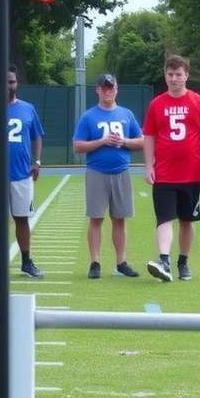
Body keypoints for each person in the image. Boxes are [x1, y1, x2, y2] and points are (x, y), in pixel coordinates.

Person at [142, 54, 200, 282]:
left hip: (191, 172)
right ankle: (164, 260)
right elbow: (149, 136)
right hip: (164, 173)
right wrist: (148, 166)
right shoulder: (157, 104)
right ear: (165, 76)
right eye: (170, 74)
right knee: (164, 217)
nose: (174, 78)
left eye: (178, 74)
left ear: (186, 75)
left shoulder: (198, 102)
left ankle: (183, 262)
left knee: (187, 220)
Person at [0, 65, 44, 279]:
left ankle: (26, 261)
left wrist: (37, 161)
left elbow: (37, 135)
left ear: (17, 83)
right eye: (4, 82)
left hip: (21, 174)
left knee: (22, 218)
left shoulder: (28, 108)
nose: (8, 86)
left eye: (11, 81)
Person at [73, 73, 144, 279]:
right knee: (96, 218)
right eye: (104, 87)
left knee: (119, 219)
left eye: (110, 87)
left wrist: (123, 141)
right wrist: (102, 141)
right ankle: (95, 262)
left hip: (121, 171)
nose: (107, 91)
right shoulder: (88, 116)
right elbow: (78, 146)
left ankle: (121, 262)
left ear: (116, 89)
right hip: (97, 172)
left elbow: (140, 142)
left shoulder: (126, 114)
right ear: (97, 90)